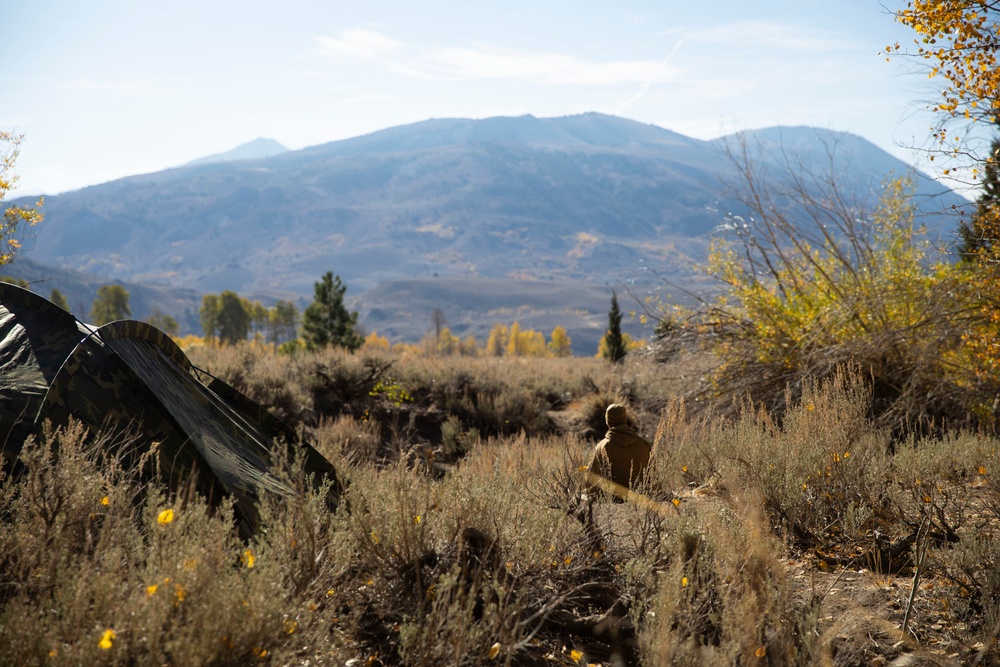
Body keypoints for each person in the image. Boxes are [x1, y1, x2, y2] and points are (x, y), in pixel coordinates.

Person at [586, 403, 652, 496]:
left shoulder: (602, 446)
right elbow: (653, 477)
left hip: (613, 497)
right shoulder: (644, 444)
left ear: (607, 421)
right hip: (642, 495)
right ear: (625, 419)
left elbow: (592, 479)